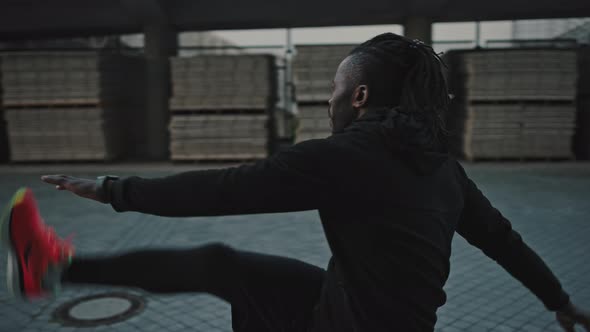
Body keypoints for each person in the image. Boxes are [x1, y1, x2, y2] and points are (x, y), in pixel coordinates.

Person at [2, 32, 589, 332]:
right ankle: (48, 264)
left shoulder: (346, 157)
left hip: (351, 327)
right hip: (372, 315)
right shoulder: (442, 167)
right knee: (226, 267)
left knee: (222, 267)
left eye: (335, 88)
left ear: (358, 97)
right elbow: (504, 240)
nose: (328, 98)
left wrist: (110, 188)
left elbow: (223, 189)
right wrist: (558, 302)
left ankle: (50, 266)